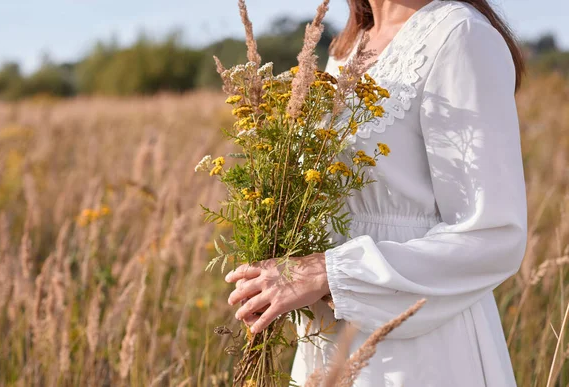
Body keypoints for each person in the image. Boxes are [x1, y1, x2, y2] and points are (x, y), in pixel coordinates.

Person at [225, 0, 527, 385]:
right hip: (329, 338)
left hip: (421, 349)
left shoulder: (461, 36)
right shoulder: (346, 47)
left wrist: (327, 272)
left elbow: (493, 234)